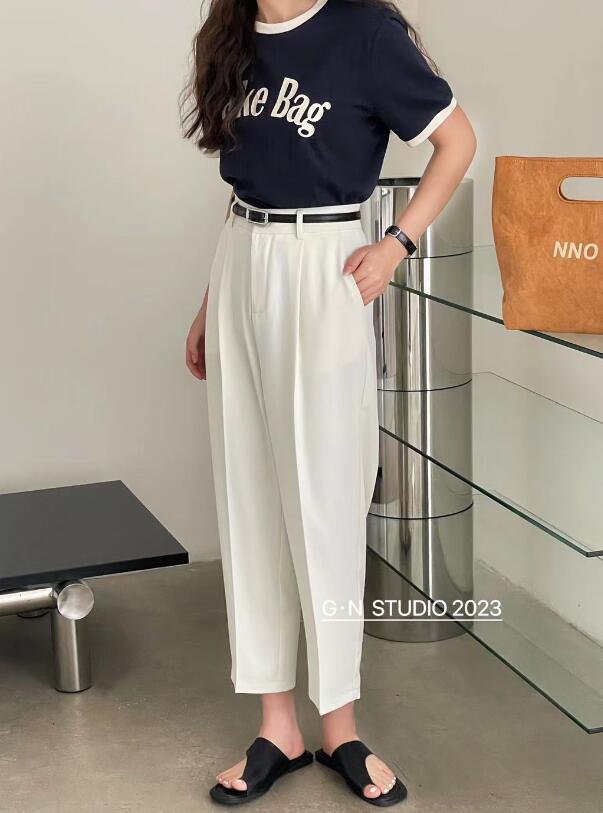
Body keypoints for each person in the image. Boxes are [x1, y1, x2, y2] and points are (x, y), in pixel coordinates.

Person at [182, 0, 476, 805]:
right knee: (249, 492)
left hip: (326, 262)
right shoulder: (228, 36)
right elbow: (243, 187)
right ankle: (277, 724)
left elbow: (456, 140)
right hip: (241, 258)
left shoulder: (364, 33)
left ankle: (339, 724)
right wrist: (210, 302)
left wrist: (396, 243)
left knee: (327, 496)